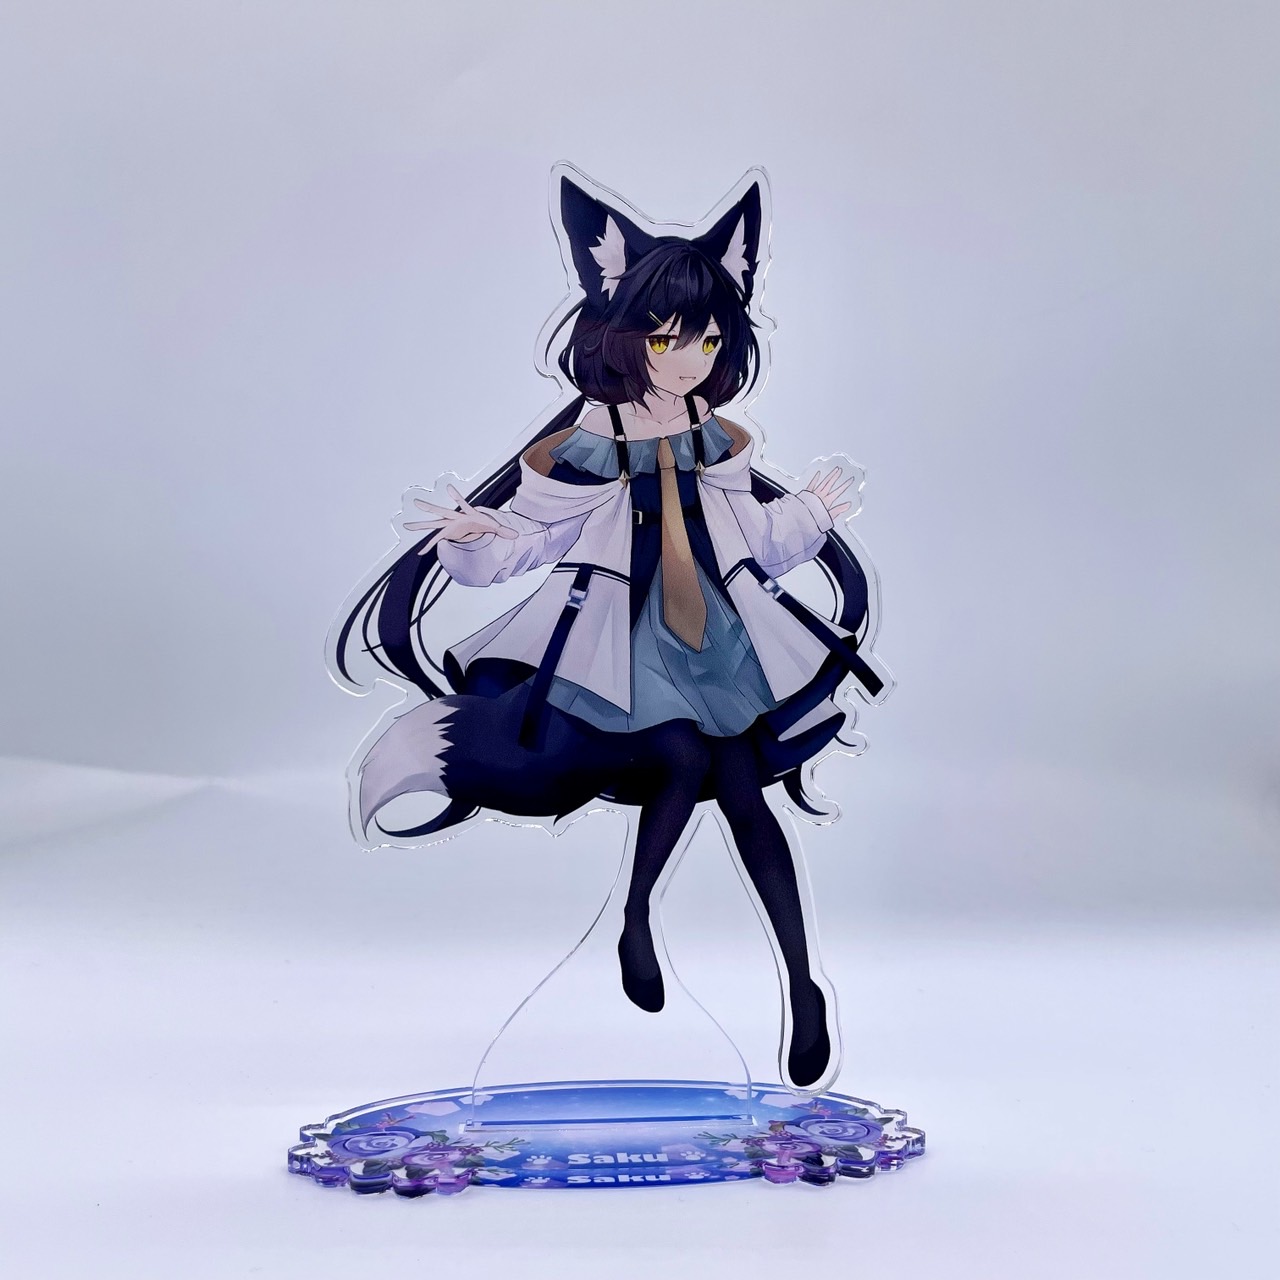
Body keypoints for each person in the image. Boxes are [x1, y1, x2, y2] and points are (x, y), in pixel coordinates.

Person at [332, 168, 889, 1092]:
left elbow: (754, 538)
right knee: (679, 752)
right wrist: (474, 539)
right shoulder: (590, 442)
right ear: (623, 332)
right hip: (619, 642)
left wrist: (815, 515)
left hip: (719, 639)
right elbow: (531, 541)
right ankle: (636, 918)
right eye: (668, 339)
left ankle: (802, 983)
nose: (690, 359)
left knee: (744, 792)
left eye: (708, 338)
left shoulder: (715, 435)